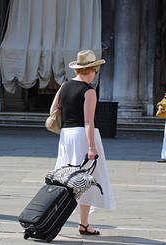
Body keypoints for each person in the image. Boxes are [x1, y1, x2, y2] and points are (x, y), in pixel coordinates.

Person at [50, 50, 115, 235]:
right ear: (92, 69)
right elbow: (88, 121)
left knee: (64, 176)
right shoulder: (89, 91)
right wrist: (92, 146)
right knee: (85, 179)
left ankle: (54, 216)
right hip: (82, 135)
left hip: (66, 135)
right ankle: (84, 223)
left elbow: (53, 110)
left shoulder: (64, 86)